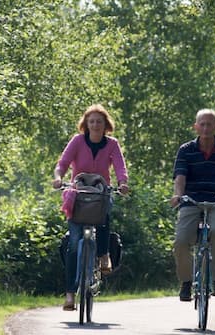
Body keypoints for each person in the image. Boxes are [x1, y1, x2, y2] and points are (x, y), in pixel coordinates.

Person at [52, 104, 129, 311]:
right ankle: (69, 295)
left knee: (104, 216)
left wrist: (122, 183)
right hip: (78, 195)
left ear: (106, 125)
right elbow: (63, 162)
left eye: (99, 121)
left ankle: (103, 254)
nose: (95, 125)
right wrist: (58, 178)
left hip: (100, 192)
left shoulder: (112, 144)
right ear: (86, 124)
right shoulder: (77, 141)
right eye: (91, 121)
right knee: (74, 245)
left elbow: (120, 167)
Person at [169, 108, 215, 301]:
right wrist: (178, 196)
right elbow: (180, 177)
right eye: (202, 124)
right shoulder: (185, 150)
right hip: (191, 200)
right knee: (181, 241)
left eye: (210, 124)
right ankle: (186, 283)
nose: (206, 128)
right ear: (196, 127)